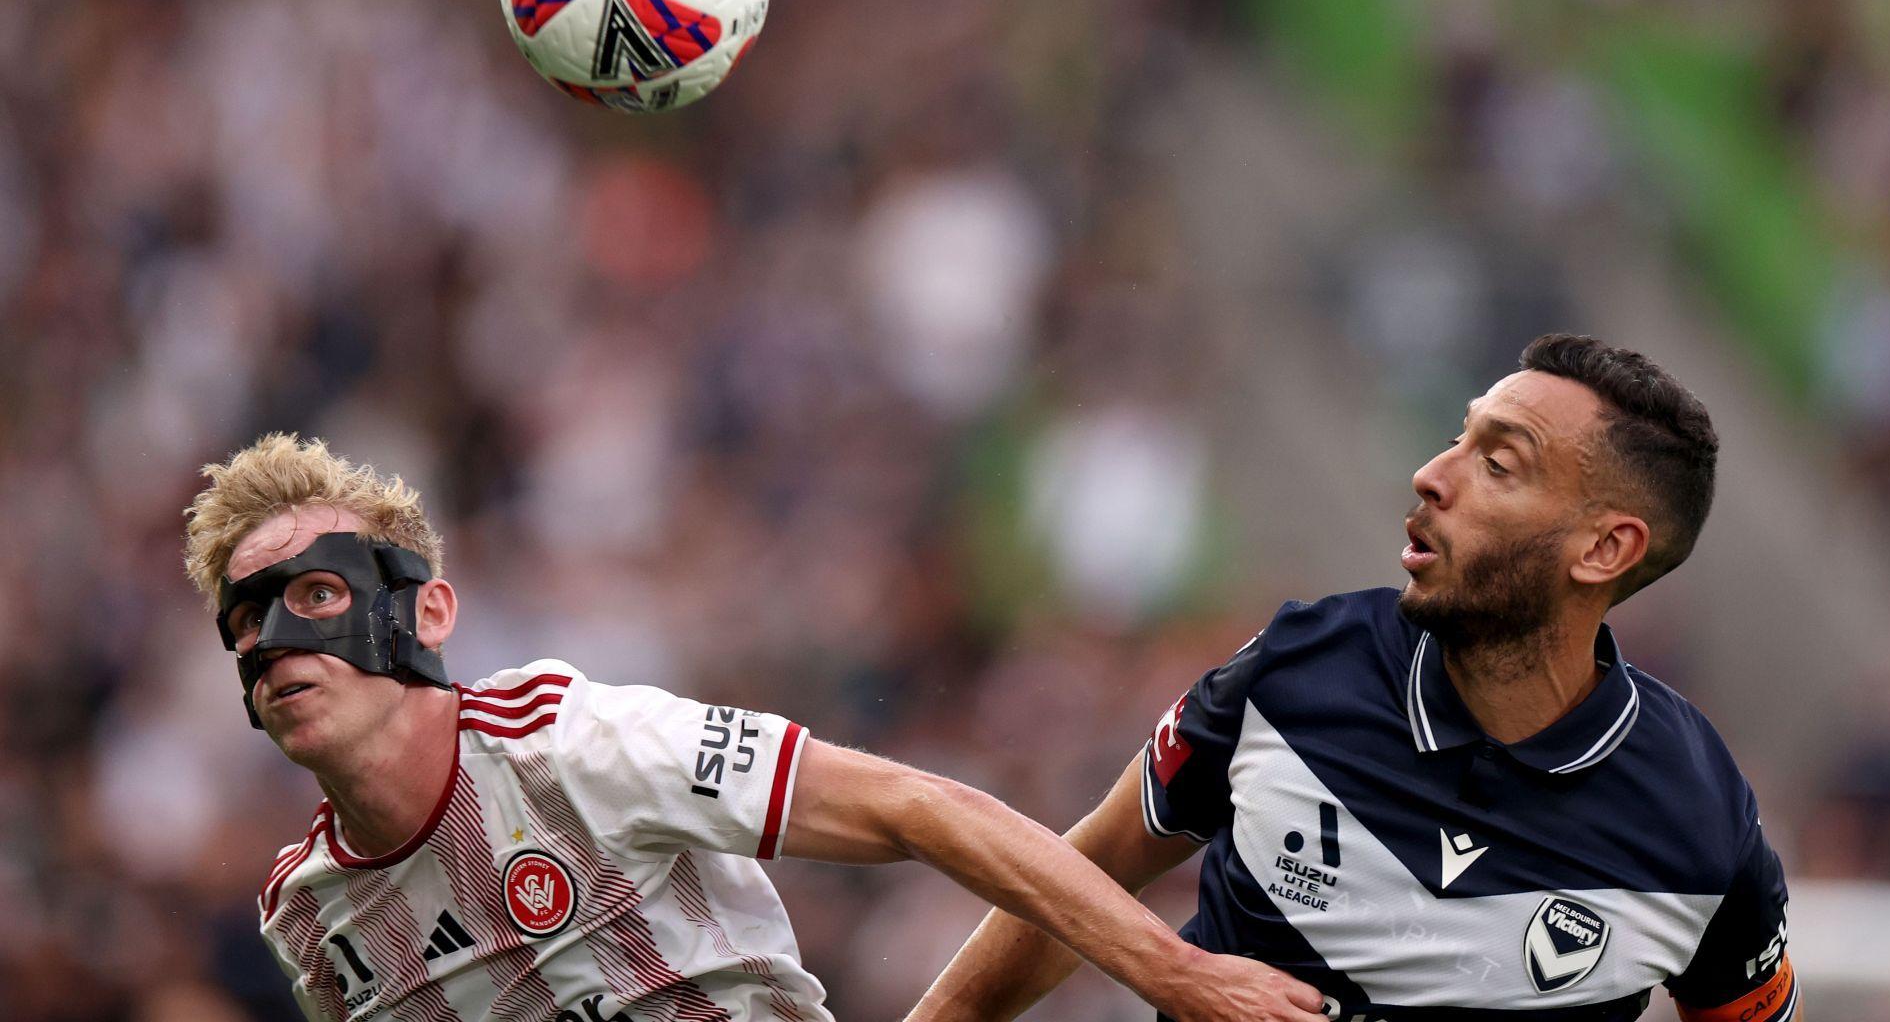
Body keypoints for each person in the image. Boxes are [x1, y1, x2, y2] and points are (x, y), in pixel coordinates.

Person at [184, 434, 1327, 1022]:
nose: (272, 638)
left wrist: (1177, 973)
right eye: (245, 617)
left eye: (317, 594)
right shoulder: (307, 916)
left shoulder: (568, 742)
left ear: (426, 611)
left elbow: (921, 807)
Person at [910, 335, 1800, 1022]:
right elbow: (1085, 873)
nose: (1431, 475)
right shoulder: (1301, 668)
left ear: (1605, 549)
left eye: (1497, 463)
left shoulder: (1700, 823)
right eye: (1458, 438)